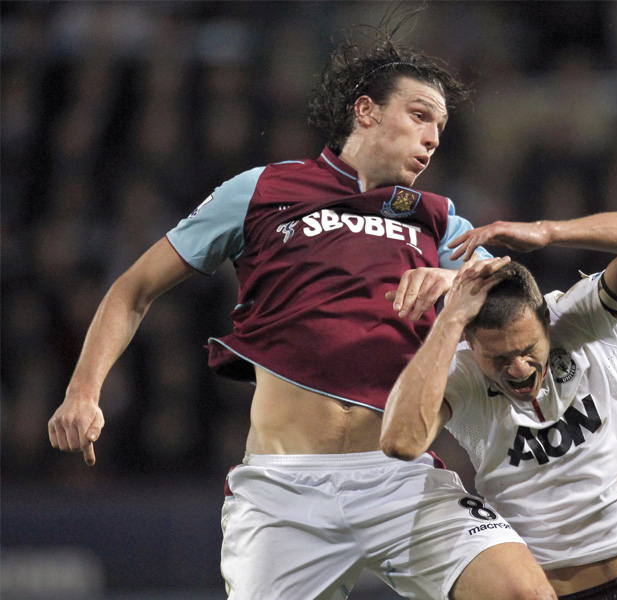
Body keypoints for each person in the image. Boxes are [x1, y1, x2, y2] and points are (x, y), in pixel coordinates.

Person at [47, 14, 556, 600]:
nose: (433, 137)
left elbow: (520, 296)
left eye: (440, 127)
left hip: (398, 479)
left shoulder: (437, 218)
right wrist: (84, 390)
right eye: (420, 115)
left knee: (526, 595)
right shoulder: (261, 190)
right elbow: (132, 289)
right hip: (283, 490)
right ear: (366, 111)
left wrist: (452, 277)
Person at [382, 213, 617, 599]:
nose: (519, 369)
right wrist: (449, 320)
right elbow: (401, 441)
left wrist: (549, 232)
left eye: (527, 349)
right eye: (499, 359)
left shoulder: (582, 316)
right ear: (470, 341)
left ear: (546, 319)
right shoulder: (460, 374)